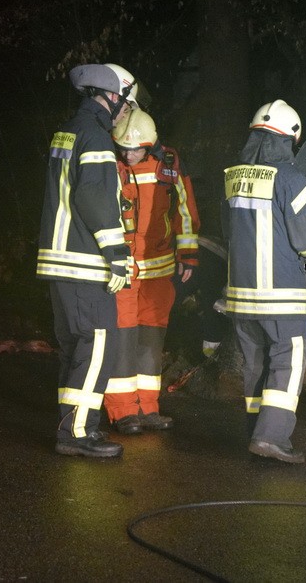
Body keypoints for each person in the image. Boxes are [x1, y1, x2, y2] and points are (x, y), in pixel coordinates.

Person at [37, 63, 136, 458]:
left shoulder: (68, 130)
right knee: (96, 345)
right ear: (112, 96)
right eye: (126, 104)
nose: (126, 112)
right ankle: (79, 433)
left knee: (75, 348)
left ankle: (71, 427)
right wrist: (116, 253)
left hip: (59, 259)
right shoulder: (95, 136)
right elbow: (93, 199)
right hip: (82, 260)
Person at [222, 99, 306, 464]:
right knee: (289, 360)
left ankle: (256, 432)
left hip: (241, 295)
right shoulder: (292, 179)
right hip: (281, 295)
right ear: (290, 140)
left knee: (255, 363)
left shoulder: (232, 175)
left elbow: (227, 230)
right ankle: (272, 437)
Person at [104, 107, 200, 434]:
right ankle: (122, 412)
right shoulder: (109, 161)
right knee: (123, 337)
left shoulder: (169, 162)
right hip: (123, 269)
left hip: (159, 269)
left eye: (135, 149)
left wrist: (188, 253)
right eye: (124, 148)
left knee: (151, 339)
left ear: (150, 144)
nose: (129, 154)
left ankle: (148, 408)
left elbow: (185, 208)